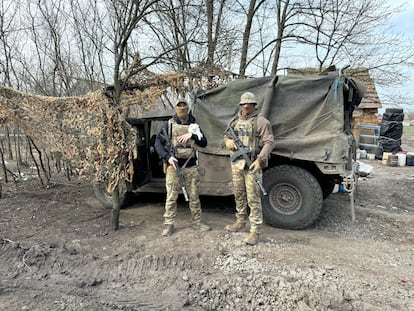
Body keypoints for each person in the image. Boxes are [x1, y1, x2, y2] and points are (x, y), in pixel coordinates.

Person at [223, 91, 274, 245]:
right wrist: (227, 142)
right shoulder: (234, 122)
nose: (246, 106)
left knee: (253, 198)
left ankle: (255, 231)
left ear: (254, 105)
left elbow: (269, 142)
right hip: (237, 163)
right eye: (243, 103)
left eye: (249, 103)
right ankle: (240, 221)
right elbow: (226, 135)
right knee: (238, 194)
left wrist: (260, 159)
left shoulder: (261, 122)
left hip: (252, 164)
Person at [155, 97, 210, 236]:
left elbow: (204, 143)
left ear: (188, 107)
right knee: (171, 197)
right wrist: (168, 157)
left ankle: (197, 223)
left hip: (191, 166)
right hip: (174, 166)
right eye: (179, 105)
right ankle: (169, 225)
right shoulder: (169, 125)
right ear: (175, 107)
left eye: (184, 105)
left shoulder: (194, 124)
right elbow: (158, 143)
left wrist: (192, 134)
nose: (182, 107)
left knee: (194, 197)